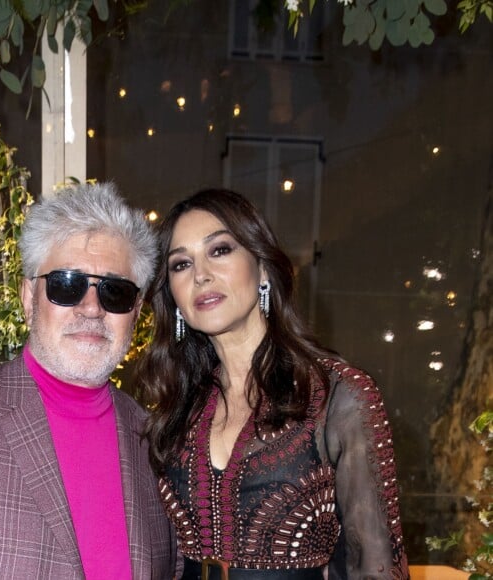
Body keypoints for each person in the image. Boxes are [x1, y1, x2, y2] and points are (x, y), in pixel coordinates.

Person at [137, 188, 410, 579]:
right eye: (181, 265)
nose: (201, 275)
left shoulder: (337, 394)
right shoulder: (179, 406)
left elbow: (376, 566)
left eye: (220, 250)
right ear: (173, 296)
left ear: (262, 268)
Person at [0, 182, 179, 579]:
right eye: (66, 285)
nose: (91, 308)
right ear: (27, 297)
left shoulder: (154, 443)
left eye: (115, 292)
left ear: (136, 311)